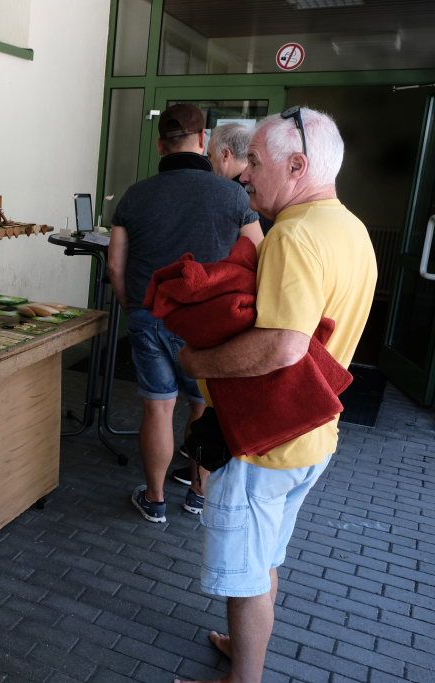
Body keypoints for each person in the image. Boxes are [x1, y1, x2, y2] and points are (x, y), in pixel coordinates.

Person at [175, 107, 377, 683]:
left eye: (256, 163)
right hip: (311, 434)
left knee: (245, 576)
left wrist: (196, 362)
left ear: (297, 166)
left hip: (262, 444)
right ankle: (244, 647)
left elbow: (282, 347)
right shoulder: (352, 229)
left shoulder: (293, 234)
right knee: (263, 558)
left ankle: (245, 676)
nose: (245, 174)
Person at [108, 103, 263, 523]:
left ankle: (155, 499)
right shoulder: (233, 195)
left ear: (160, 146)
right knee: (202, 406)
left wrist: (133, 307)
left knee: (158, 408)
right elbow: (259, 257)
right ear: (203, 140)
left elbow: (115, 267)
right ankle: (198, 494)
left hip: (149, 315)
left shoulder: (135, 195)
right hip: (206, 323)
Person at [207, 123, 274, 235]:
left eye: (210, 156)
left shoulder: (228, 195)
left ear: (225, 155)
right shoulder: (264, 189)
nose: (208, 162)